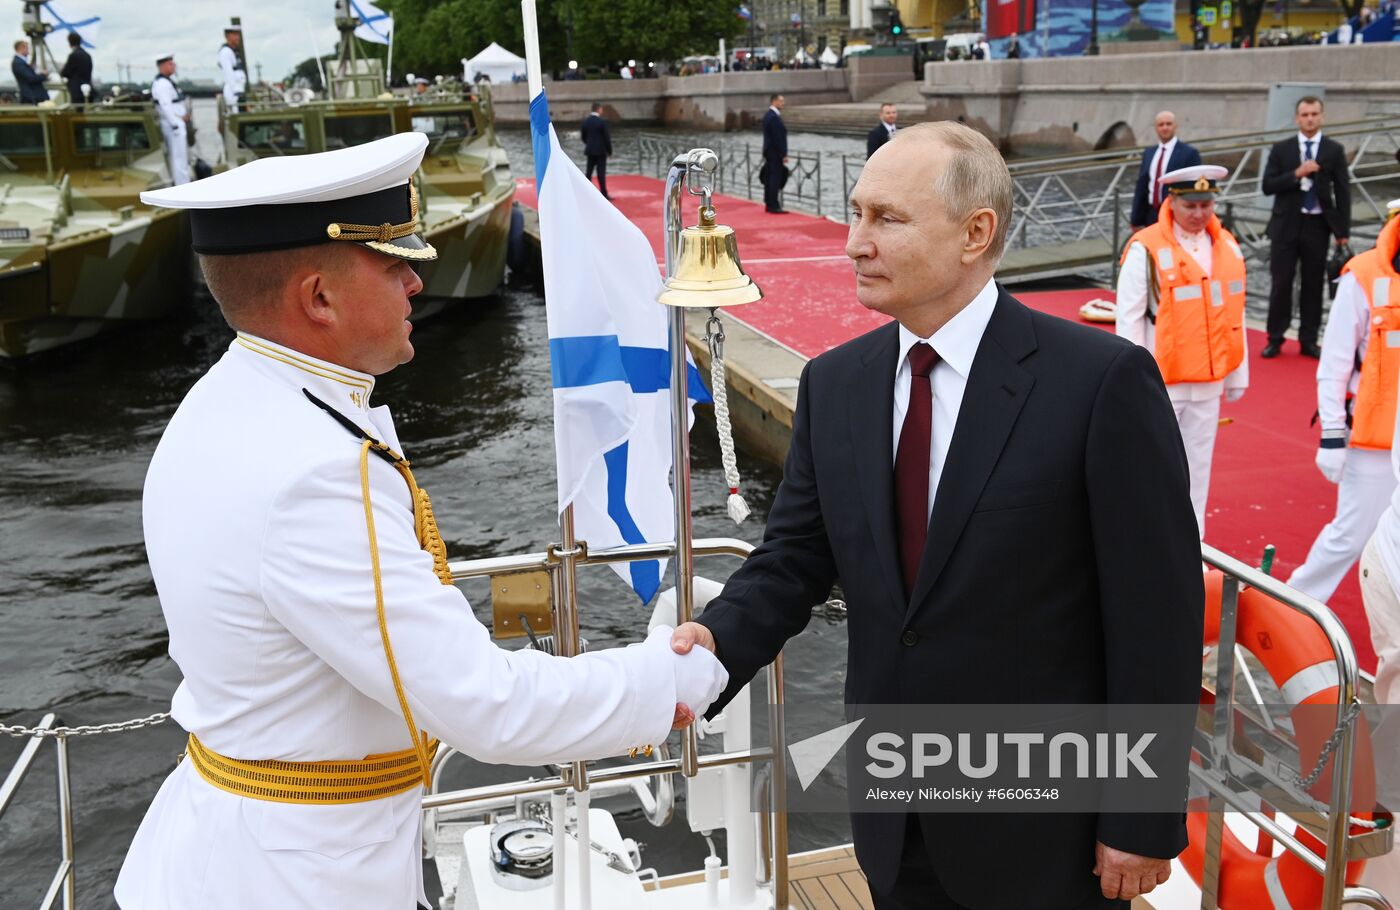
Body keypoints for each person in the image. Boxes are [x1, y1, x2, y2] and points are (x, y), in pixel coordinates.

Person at [114, 133, 728, 909]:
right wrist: (673, 678)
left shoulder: (235, 401)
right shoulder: (313, 468)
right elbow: (486, 706)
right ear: (318, 298)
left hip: (251, 839)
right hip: (299, 877)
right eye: (393, 261)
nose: (415, 280)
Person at [672, 122, 1203, 909]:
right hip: (896, 811)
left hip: (1047, 830)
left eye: (886, 219)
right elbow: (792, 560)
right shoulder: (835, 385)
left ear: (974, 233)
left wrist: (1141, 814)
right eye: (855, 214)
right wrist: (712, 643)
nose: (854, 242)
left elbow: (1156, 615)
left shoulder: (1100, 384)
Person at [1117, 165, 1248, 539]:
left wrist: (1237, 374)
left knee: (1198, 470)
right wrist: (1134, 385)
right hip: (1164, 382)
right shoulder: (1146, 248)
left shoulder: (1227, 245)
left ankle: (1194, 544)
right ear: (1171, 202)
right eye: (1191, 205)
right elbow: (1129, 322)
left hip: (1209, 382)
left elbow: (1233, 313)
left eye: (1207, 204)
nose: (1200, 214)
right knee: (1151, 467)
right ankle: (1143, 540)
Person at [1286, 198, 1400, 603]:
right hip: (1372, 436)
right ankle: (1294, 605)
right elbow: (1333, 364)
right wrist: (1332, 436)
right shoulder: (1363, 277)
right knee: (1351, 534)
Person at [1261, 96, 1351, 359]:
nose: (1309, 118)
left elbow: (1343, 191)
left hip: (1317, 225)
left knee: (1313, 284)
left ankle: (1308, 339)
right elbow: (1268, 185)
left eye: (1314, 114)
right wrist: (1296, 174)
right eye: (1305, 114)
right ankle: (1275, 337)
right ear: (1297, 118)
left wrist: (1342, 232)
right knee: (1281, 282)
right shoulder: (1282, 149)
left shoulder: (1334, 150)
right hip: (1285, 225)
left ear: (1321, 116)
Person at [1129, 111, 1202, 230]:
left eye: (1168, 124)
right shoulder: (1149, 153)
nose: (1165, 128)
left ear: (1175, 126)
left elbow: (1194, 188)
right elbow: (1142, 186)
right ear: (1156, 128)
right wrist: (1135, 218)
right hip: (1151, 215)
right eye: (1161, 125)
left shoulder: (1189, 153)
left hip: (1175, 215)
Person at [151, 54, 190, 186]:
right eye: (170, 63)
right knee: (179, 158)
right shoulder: (162, 84)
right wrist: (175, 123)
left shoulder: (167, 81)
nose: (173, 66)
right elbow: (165, 105)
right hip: (173, 124)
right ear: (161, 66)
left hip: (176, 122)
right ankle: (182, 186)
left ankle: (182, 183)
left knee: (180, 157)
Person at [761, 93, 788, 214]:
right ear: (774, 101)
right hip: (774, 153)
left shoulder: (769, 115)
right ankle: (773, 205)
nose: (783, 103)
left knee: (771, 178)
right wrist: (783, 154)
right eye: (781, 101)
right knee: (774, 179)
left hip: (770, 152)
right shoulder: (773, 117)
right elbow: (777, 138)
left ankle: (769, 203)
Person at [580, 101, 612, 199]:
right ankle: (604, 193)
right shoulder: (601, 122)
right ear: (598, 109)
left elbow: (583, 136)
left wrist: (589, 144)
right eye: (601, 109)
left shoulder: (586, 121)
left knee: (588, 172)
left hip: (590, 150)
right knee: (601, 173)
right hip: (601, 151)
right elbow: (606, 138)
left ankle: (586, 193)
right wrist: (609, 150)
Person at [217, 25, 246, 112]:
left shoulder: (233, 51)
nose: (238, 37)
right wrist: (236, 94)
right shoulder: (225, 52)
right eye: (235, 35)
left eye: (238, 35)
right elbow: (228, 74)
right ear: (227, 36)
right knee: (236, 116)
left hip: (239, 90)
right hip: (233, 92)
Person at [10, 40, 48, 104]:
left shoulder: (20, 62)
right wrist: (43, 75)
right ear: (21, 48)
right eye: (27, 48)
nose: (29, 50)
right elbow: (31, 78)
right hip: (31, 97)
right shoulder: (18, 63)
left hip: (32, 96)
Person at [59, 32, 91, 107]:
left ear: (70, 42)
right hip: (87, 89)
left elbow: (64, 72)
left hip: (76, 91)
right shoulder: (87, 55)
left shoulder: (73, 55)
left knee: (77, 112)